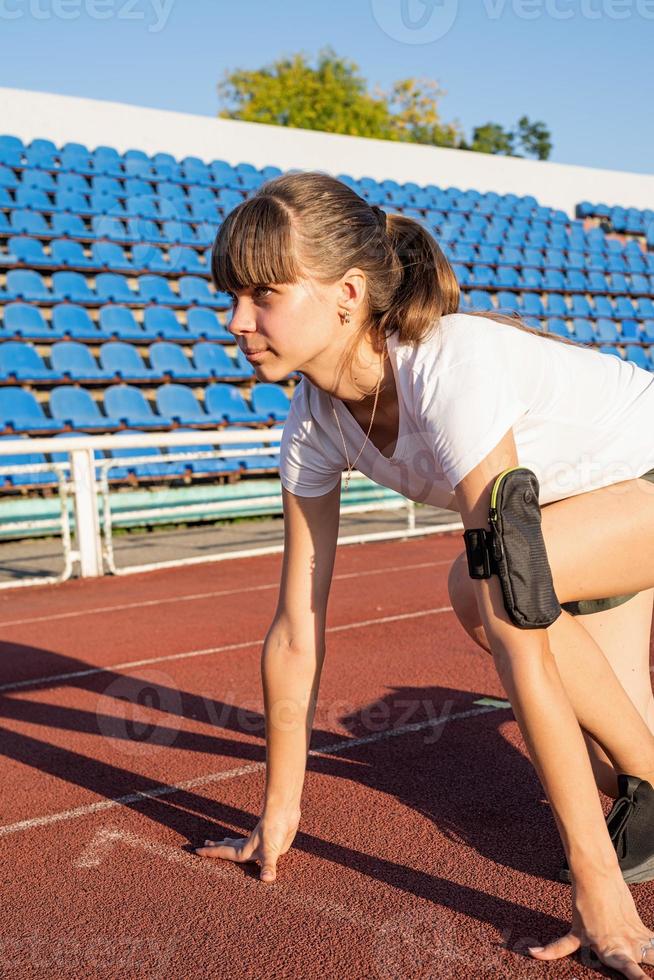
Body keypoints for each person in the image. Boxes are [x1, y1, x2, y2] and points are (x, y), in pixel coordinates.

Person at [194, 170, 654, 977]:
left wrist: (595, 884)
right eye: (231, 297)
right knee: (628, 776)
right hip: (580, 521)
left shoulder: (449, 369)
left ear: (346, 292)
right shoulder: (313, 422)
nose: (237, 321)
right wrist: (279, 811)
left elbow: (518, 626)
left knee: (477, 593)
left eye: (263, 295)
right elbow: (298, 627)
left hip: (634, 489)